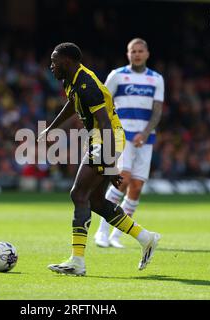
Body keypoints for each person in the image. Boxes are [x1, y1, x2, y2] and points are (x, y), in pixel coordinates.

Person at [37, 42, 160, 276]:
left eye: (55, 61)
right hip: (99, 138)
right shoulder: (70, 81)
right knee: (96, 202)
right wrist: (52, 128)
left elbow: (104, 123)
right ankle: (146, 238)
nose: (51, 66)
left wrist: (112, 164)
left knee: (78, 194)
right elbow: (73, 104)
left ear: (68, 62)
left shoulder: (87, 84)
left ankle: (77, 262)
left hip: (107, 137)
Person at [94, 38, 164, 249]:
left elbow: (157, 111)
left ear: (147, 53)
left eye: (140, 51)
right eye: (133, 51)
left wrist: (144, 133)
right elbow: (102, 101)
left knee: (136, 186)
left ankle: (117, 234)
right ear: (128, 54)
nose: (137, 54)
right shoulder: (117, 75)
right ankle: (101, 232)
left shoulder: (156, 79)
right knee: (121, 180)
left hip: (145, 139)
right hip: (122, 135)